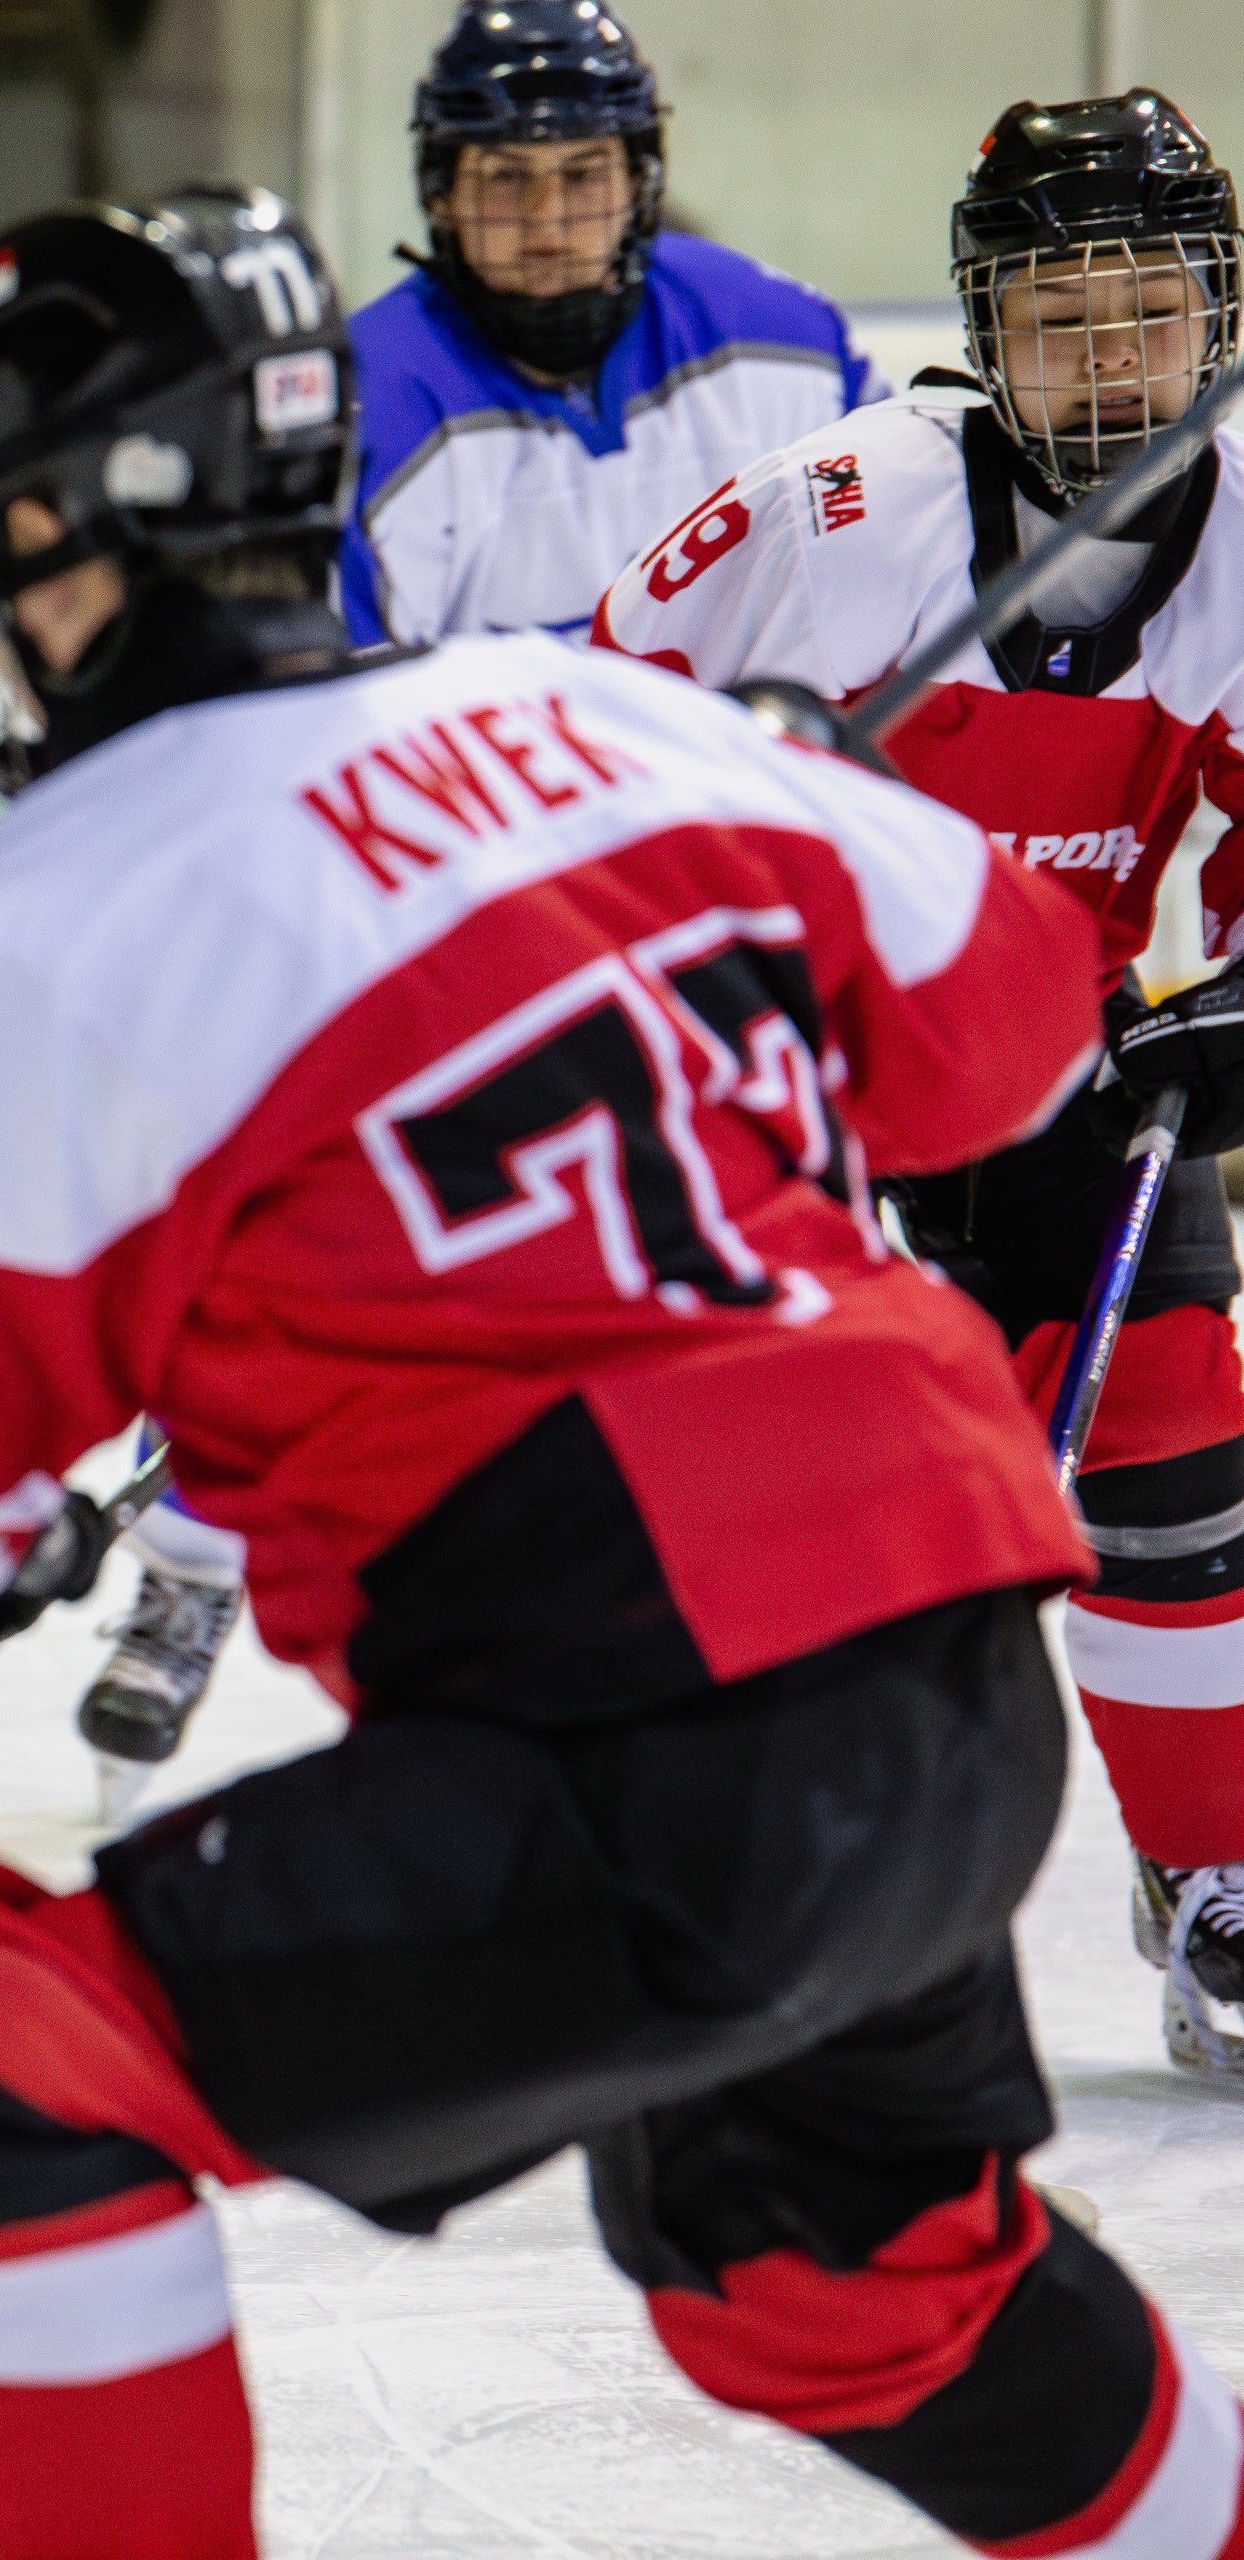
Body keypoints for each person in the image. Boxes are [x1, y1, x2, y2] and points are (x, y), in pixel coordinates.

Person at [0, 185, 1243, 2557]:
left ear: (56, 525)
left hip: (662, 1734)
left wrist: (2, 1545)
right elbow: (1008, 1041)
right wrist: (796, 799)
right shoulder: (597, 723)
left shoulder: (22, 923)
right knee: (838, 2287)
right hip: (960, 1681)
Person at [87, 0, 888, 1781]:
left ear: (641, 178)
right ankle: (199, 1552)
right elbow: (338, 716)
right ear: (438, 195)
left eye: (581, 176)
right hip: (466, 916)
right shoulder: (360, 399)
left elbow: (892, 590)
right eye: (501, 180)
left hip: (725, 907)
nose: (543, 213)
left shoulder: (785, 342)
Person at [594, 88, 1244, 2075]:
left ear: (1218, 317)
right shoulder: (836, 517)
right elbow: (590, 751)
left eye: (1154, 308)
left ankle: (1214, 1866)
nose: (1115, 358)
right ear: (987, 323)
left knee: (1175, 1419)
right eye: (1065, 314)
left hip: (1052, 1054)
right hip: (777, 1069)